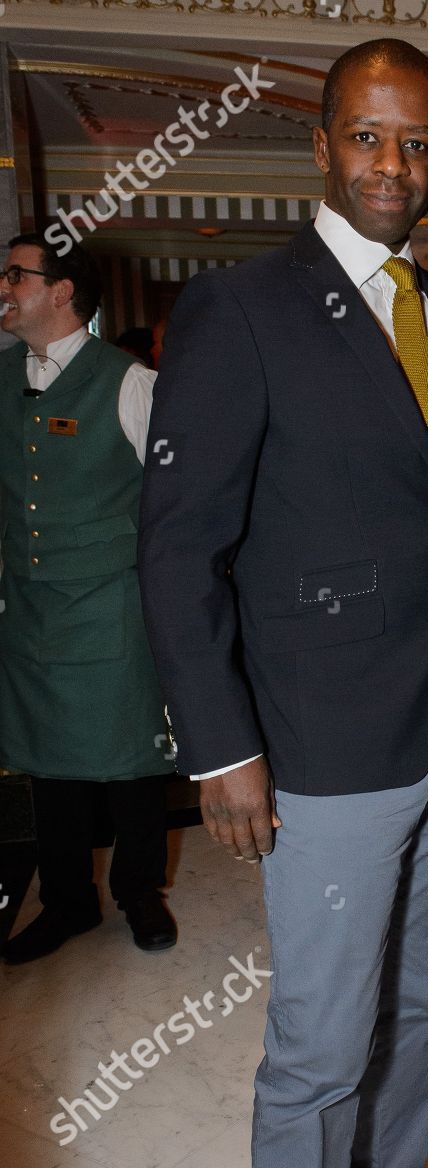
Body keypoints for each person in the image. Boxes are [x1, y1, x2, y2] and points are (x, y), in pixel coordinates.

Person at [138, 41, 428, 1168]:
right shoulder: (241, 310)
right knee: (316, 1047)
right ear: (321, 147)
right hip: (323, 748)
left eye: (419, 147)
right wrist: (221, 749)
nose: (394, 169)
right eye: (370, 140)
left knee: (424, 990)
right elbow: (177, 551)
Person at [0, 234, 177, 963]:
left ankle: (141, 893)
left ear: (63, 291)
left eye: (16, 274)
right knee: (50, 768)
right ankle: (68, 903)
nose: (4, 287)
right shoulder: (1, 378)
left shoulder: (130, 383)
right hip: (32, 612)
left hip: (113, 607)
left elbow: (176, 504)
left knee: (132, 763)